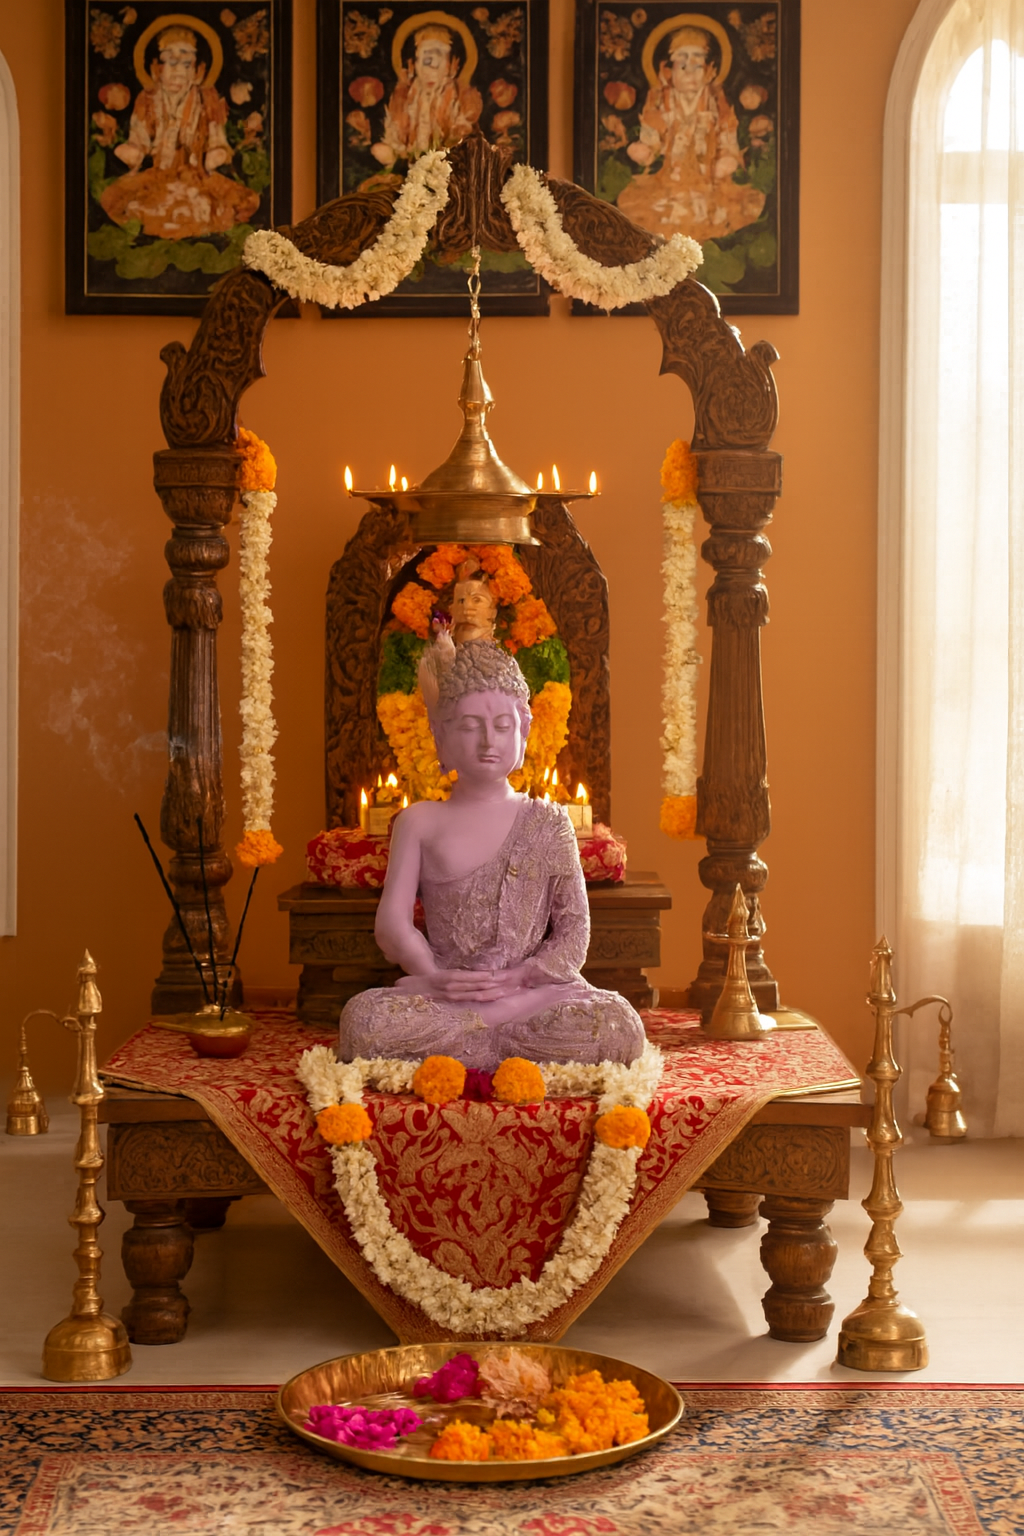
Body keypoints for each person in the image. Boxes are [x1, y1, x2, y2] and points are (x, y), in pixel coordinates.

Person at [339, 638, 645, 1070]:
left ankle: (476, 1037)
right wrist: (436, 978)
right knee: (364, 1022)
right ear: (440, 734)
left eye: (502, 726)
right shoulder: (419, 821)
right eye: (469, 726)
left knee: (619, 1026)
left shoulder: (549, 822)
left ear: (524, 731)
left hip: (529, 996)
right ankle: (499, 1039)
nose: (488, 741)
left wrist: (520, 979)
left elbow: (574, 934)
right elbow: (392, 926)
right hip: (448, 995)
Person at [100, 25, 260, 240]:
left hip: (197, 174)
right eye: (171, 63)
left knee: (244, 201)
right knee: (114, 199)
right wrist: (132, 152)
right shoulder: (147, 99)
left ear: (197, 71)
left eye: (186, 65)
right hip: (157, 173)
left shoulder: (206, 98)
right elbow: (139, 139)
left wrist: (216, 154)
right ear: (157, 68)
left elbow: (216, 138)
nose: (178, 72)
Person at [616, 25, 764, 244]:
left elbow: (727, 138)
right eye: (683, 66)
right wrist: (644, 150)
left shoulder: (716, 103)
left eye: (698, 66)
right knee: (648, 206)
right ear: (668, 71)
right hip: (670, 179)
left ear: (710, 71)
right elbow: (652, 139)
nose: (690, 73)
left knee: (725, 206)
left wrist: (728, 158)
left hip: (708, 179)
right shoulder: (662, 103)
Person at [370, 23, 482, 166]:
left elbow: (464, 135)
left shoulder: (461, 98)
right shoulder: (404, 97)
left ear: (452, 65)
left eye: (438, 61)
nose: (431, 70)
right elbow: (395, 138)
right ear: (412, 65)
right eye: (425, 61)